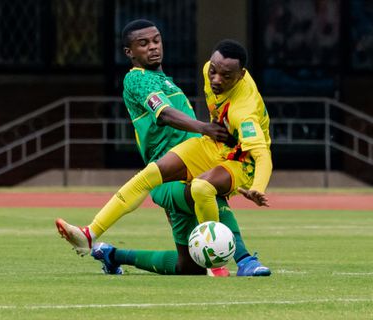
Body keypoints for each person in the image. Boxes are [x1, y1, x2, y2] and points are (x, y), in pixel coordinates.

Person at [56, 20, 271, 276]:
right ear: (129, 52)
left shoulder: (165, 81)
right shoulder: (138, 79)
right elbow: (164, 114)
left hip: (192, 164)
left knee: (188, 267)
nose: (153, 47)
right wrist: (204, 128)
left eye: (156, 40)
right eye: (143, 43)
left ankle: (112, 254)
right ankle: (241, 260)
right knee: (205, 189)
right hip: (169, 176)